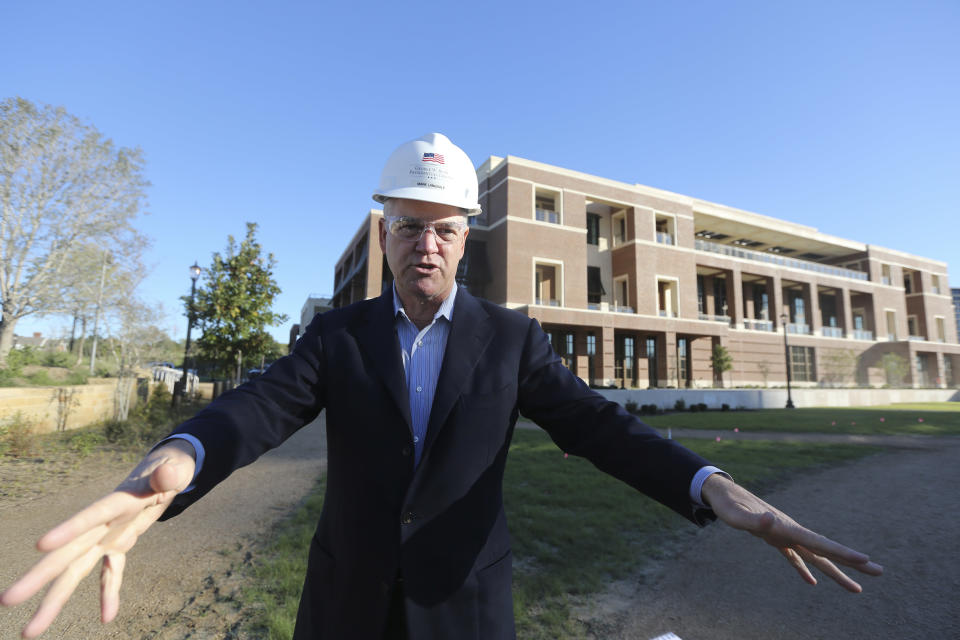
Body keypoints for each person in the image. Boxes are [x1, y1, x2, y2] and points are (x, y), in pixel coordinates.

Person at [0, 133, 882, 639]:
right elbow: (260, 405)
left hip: (464, 609)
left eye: (445, 229)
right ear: (385, 235)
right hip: (345, 606)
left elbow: (599, 427)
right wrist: (185, 454)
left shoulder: (513, 338)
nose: (427, 242)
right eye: (410, 225)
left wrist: (711, 486)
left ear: (467, 240)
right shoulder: (337, 336)